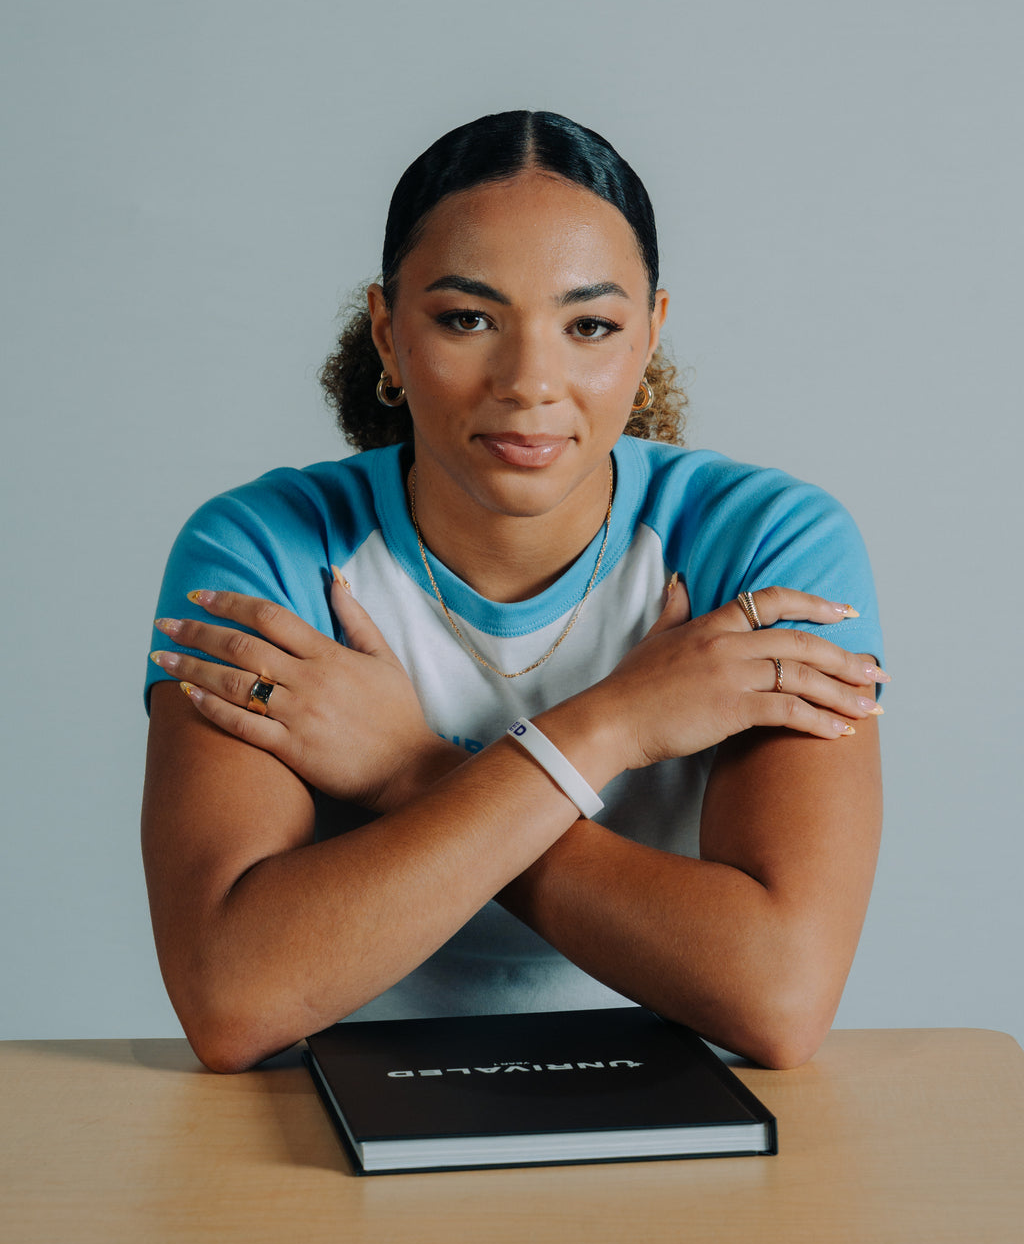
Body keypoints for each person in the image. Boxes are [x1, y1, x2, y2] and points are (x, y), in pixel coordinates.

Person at [143, 110, 886, 1075]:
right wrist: (612, 724)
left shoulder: (767, 545)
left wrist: (408, 768)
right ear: (386, 329)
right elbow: (234, 997)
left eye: (590, 326)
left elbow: (776, 995)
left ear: (651, 332)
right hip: (319, 1139)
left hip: (674, 1126)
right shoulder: (262, 549)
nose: (532, 380)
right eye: (467, 318)